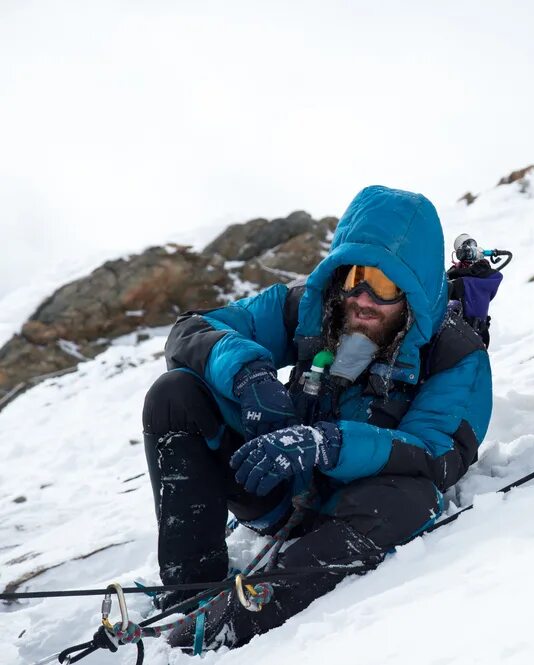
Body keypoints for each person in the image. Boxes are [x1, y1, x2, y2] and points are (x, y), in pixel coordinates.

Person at [142, 185, 493, 649]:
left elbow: (437, 455)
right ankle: (190, 588)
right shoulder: (310, 305)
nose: (364, 297)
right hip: (275, 482)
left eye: (385, 285)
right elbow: (192, 331)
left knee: (414, 497)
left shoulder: (456, 353)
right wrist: (248, 375)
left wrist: (328, 443)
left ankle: (246, 611)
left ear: (415, 290)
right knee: (175, 394)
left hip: (356, 513)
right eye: (355, 276)